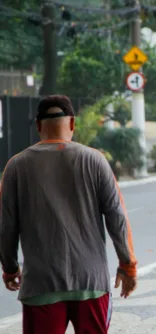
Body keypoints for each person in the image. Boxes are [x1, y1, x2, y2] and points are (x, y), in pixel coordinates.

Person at [0, 95, 137, 334]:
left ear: (38, 125)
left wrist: (10, 269)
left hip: (41, 285)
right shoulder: (96, 161)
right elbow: (117, 218)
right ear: (72, 123)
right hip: (91, 283)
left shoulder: (16, 167)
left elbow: (6, 226)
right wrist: (128, 266)